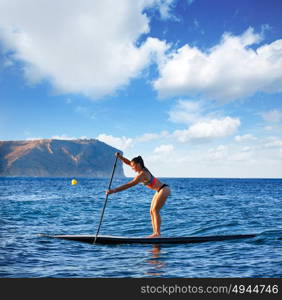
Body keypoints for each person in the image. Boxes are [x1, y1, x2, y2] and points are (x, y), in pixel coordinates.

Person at [106, 153, 171, 238]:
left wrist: (114, 190)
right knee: (151, 211)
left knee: (155, 210)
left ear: (138, 165)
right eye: (132, 166)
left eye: (133, 166)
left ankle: (157, 234)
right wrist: (121, 158)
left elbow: (129, 184)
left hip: (164, 189)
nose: (132, 168)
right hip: (159, 190)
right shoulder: (142, 169)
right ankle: (155, 233)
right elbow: (129, 163)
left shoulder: (142, 175)